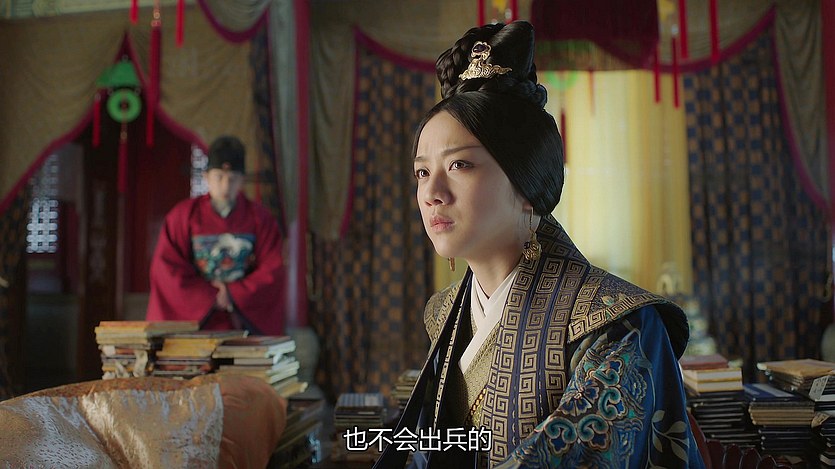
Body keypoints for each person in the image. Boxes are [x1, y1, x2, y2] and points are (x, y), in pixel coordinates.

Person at [374, 21, 704, 468]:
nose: (432, 192)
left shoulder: (620, 327)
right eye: (421, 172)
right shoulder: (444, 314)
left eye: (460, 165)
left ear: (526, 184)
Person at [146, 135, 285, 335]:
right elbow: (166, 268)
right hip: (197, 320)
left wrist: (233, 293)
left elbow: (273, 268)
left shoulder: (260, 219)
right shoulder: (183, 216)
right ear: (207, 177)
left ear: (242, 180)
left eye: (233, 178)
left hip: (241, 319)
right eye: (219, 177)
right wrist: (210, 296)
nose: (226, 186)